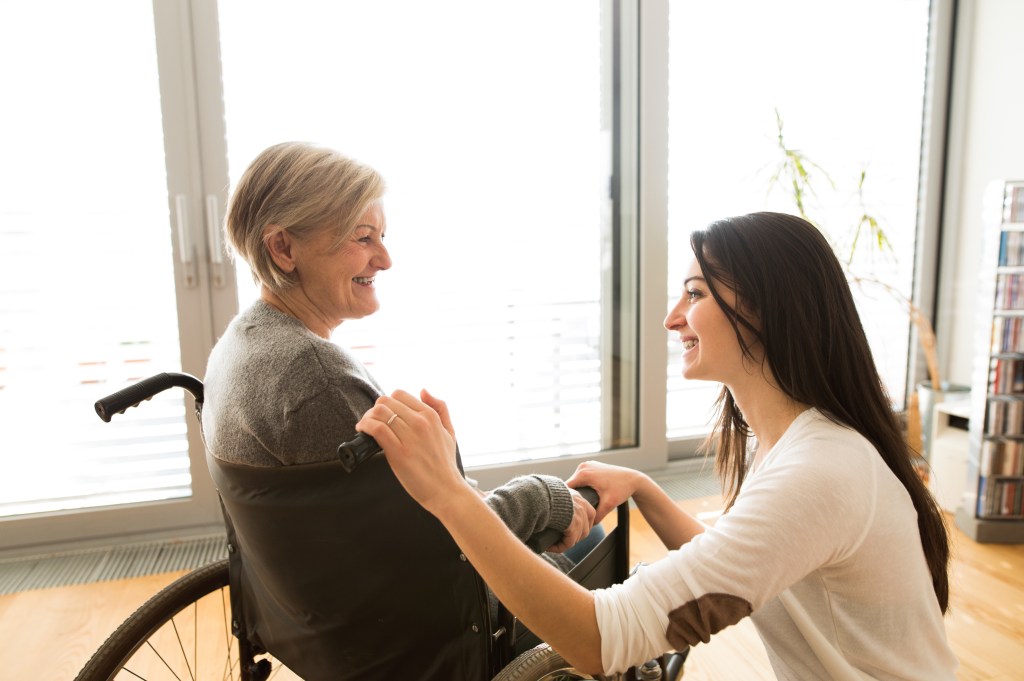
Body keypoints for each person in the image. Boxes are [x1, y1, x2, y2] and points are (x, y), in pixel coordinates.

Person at [357, 211, 960, 680]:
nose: (673, 319)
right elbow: (735, 569)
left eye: (695, 294)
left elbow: (598, 641)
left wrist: (448, 493)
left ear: (765, 312)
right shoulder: (799, 443)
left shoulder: (820, 470)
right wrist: (644, 489)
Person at [200, 141, 596, 680]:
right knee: (593, 536)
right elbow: (443, 540)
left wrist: (450, 471)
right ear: (284, 248)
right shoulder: (312, 375)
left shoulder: (239, 345)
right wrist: (544, 496)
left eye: (382, 237)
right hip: (413, 634)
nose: (384, 259)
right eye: (363, 238)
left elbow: (393, 515)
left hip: (323, 612)